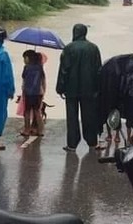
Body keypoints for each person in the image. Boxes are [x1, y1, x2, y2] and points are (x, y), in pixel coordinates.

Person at [57, 23, 102, 151]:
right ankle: (92, 142)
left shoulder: (68, 48)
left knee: (72, 117)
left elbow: (63, 70)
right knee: (89, 116)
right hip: (89, 89)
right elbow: (98, 70)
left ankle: (72, 144)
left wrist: (60, 88)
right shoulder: (94, 48)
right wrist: (98, 88)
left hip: (71, 89)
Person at [21, 51, 46, 136]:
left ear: (28, 58)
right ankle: (40, 130)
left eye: (24, 58)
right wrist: (43, 91)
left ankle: (27, 130)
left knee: (27, 112)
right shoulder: (40, 67)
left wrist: (23, 89)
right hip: (38, 93)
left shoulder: (26, 67)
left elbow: (24, 79)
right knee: (37, 112)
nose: (24, 60)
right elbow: (43, 80)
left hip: (28, 93)